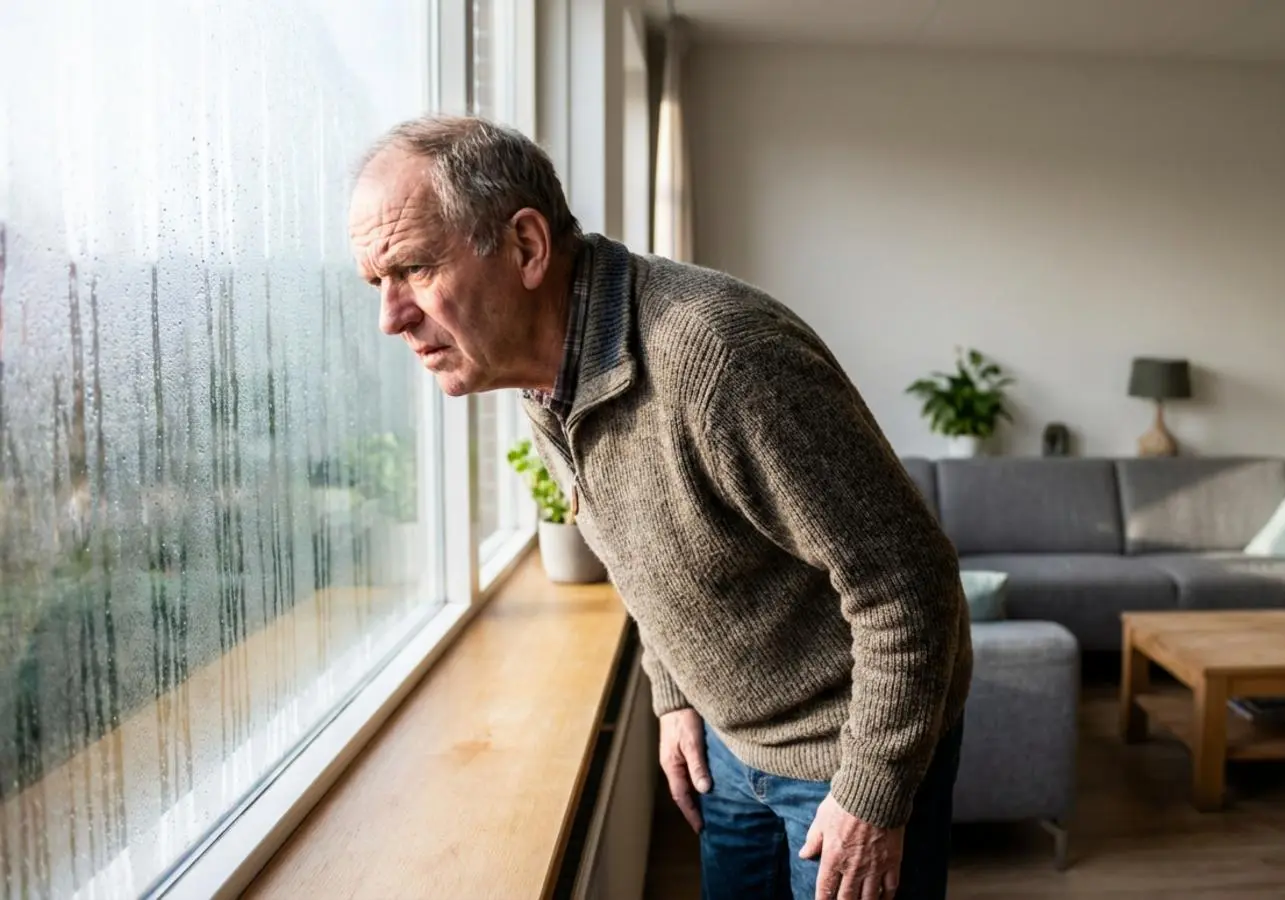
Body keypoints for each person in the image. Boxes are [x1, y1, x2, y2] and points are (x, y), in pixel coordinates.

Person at [347, 115, 973, 900]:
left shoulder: (721, 359)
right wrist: (676, 697)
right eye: (378, 283)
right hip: (726, 744)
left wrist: (872, 796)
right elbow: (639, 547)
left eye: (411, 269)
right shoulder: (543, 376)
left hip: (847, 752)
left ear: (527, 248)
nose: (391, 317)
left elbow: (911, 582)